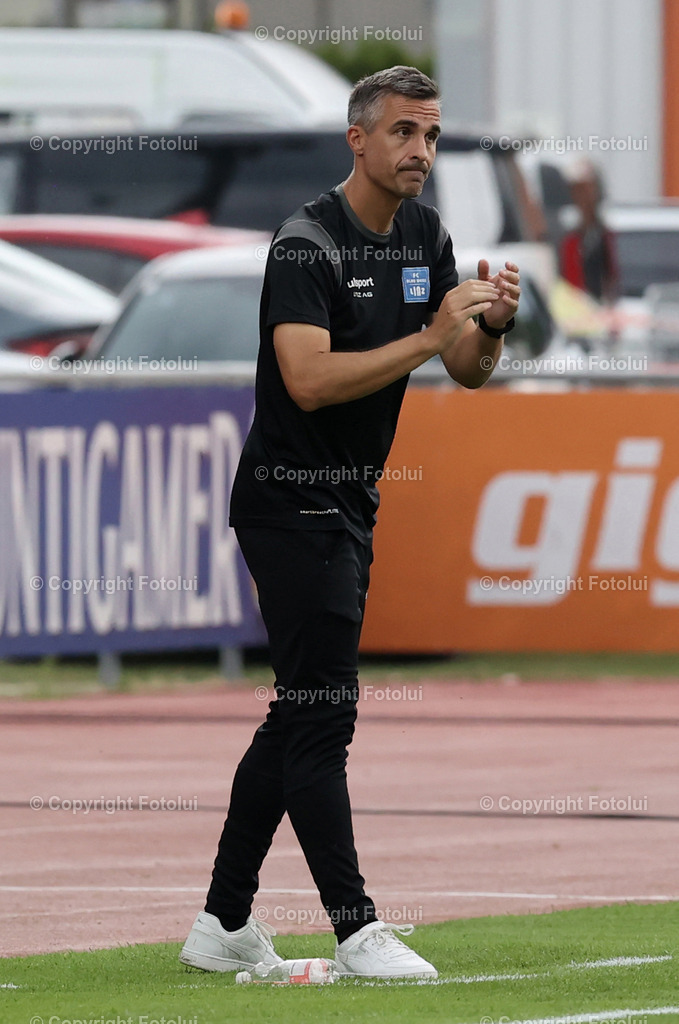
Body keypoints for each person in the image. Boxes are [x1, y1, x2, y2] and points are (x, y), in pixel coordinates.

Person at [180, 65, 520, 980]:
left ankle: (222, 921)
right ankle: (356, 927)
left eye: (431, 134)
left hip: (348, 501)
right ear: (357, 140)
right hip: (289, 499)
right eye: (404, 132)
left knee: (297, 712)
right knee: (324, 715)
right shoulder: (305, 244)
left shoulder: (424, 233)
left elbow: (465, 370)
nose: (421, 151)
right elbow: (308, 379)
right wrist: (428, 335)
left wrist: (488, 327)